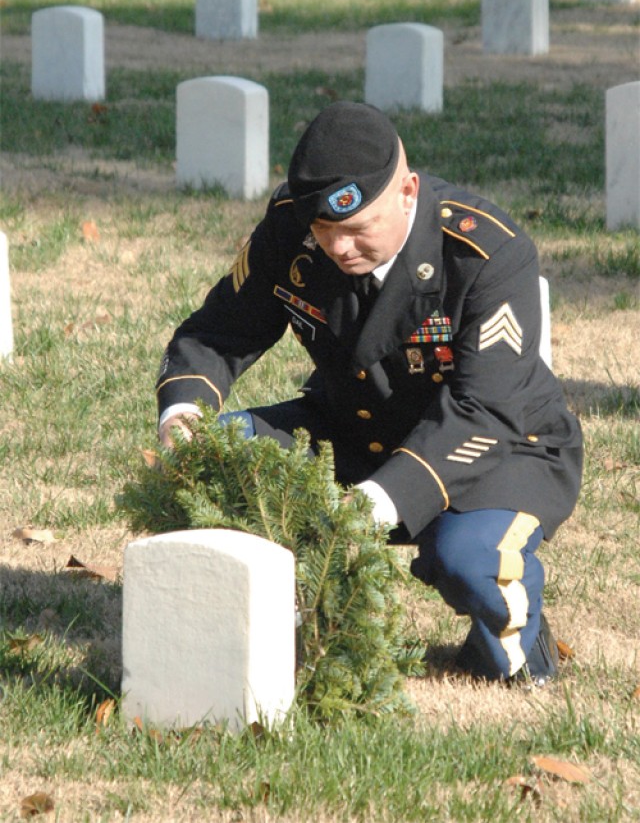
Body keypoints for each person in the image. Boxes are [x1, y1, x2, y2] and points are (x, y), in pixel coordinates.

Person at [156, 101, 583, 685]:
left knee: (465, 561)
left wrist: (381, 501)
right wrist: (184, 414)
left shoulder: (485, 253)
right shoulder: (291, 229)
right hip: (355, 430)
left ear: (408, 191)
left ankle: (516, 652)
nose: (338, 247)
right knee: (218, 456)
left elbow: (483, 410)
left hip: (498, 449)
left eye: (357, 229)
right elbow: (219, 329)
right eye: (325, 231)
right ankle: (239, 631)